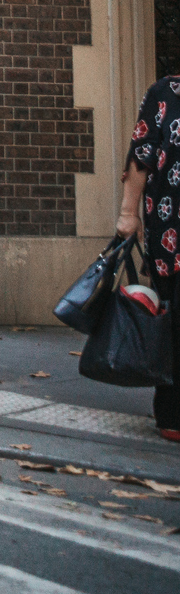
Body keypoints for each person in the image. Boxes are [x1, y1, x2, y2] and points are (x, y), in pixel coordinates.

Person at [117, 75, 180, 441]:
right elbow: (140, 156)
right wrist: (129, 213)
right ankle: (172, 412)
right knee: (174, 323)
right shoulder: (164, 95)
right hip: (171, 232)